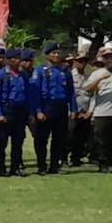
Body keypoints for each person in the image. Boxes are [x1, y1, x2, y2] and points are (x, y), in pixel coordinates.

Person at [0, 45, 39, 176]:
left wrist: (30, 113)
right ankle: (1, 168)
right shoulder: (1, 75)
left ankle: (15, 167)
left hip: (20, 111)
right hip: (7, 110)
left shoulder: (23, 75)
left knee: (18, 141)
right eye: (15, 59)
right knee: (2, 142)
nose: (19, 61)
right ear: (8, 60)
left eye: (19, 58)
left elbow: (28, 95)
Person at [32, 43, 77, 174]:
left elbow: (71, 92)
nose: (56, 55)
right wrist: (38, 111)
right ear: (47, 55)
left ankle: (54, 165)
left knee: (59, 139)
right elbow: (36, 93)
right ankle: (41, 165)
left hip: (61, 108)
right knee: (41, 139)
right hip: (46, 108)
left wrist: (73, 109)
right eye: (53, 53)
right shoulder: (40, 70)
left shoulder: (65, 71)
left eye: (58, 53)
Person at [70, 52, 93, 166]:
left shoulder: (89, 77)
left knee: (82, 137)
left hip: (85, 111)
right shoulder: (70, 75)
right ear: (75, 62)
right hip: (73, 112)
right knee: (69, 136)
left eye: (84, 61)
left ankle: (76, 158)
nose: (82, 64)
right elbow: (70, 95)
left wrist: (88, 111)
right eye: (80, 61)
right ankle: (63, 158)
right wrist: (73, 110)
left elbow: (91, 95)